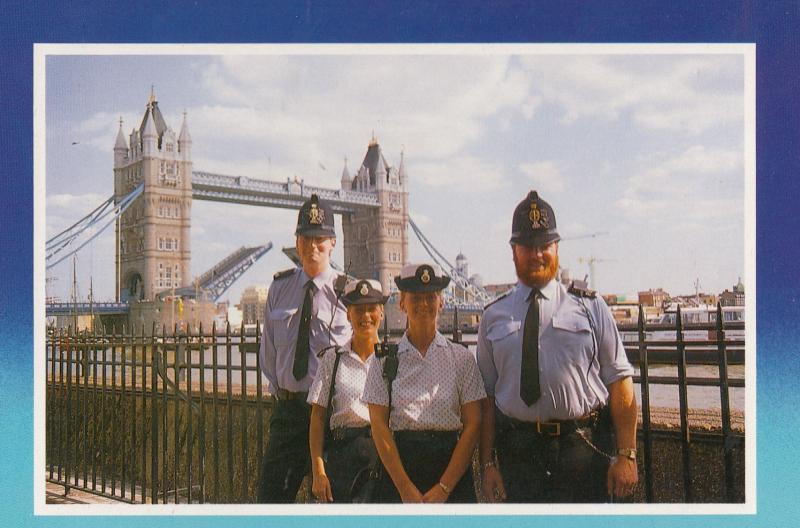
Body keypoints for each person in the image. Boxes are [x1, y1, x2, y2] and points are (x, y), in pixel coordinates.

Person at [476, 190, 639, 503]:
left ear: (557, 248)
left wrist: (627, 455)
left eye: (544, 246)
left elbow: (621, 382)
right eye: (528, 246)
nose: (537, 254)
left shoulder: (592, 308)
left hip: (582, 450)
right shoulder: (492, 317)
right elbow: (487, 399)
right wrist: (487, 465)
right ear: (514, 251)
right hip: (518, 455)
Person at [363, 263, 487, 503]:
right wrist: (404, 487)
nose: (424, 304)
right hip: (400, 469)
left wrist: (444, 488)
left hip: (451, 470)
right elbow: (378, 425)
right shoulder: (383, 362)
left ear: (441, 302)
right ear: (402, 303)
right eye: (416, 298)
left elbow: (473, 423)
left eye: (430, 297)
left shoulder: (461, 359)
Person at [257, 193, 352, 503]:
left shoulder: (349, 293)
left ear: (333, 242)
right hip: (288, 415)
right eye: (306, 237)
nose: (313, 246)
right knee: (269, 504)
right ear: (296, 242)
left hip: (332, 417)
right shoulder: (279, 289)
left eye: (320, 238)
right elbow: (268, 355)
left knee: (330, 509)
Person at [306, 278, 388, 503]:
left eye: (371, 309)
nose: (365, 316)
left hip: (383, 459)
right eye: (358, 310)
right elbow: (317, 418)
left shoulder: (393, 359)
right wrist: (319, 472)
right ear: (348, 314)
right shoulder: (332, 359)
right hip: (342, 459)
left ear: (381, 312)